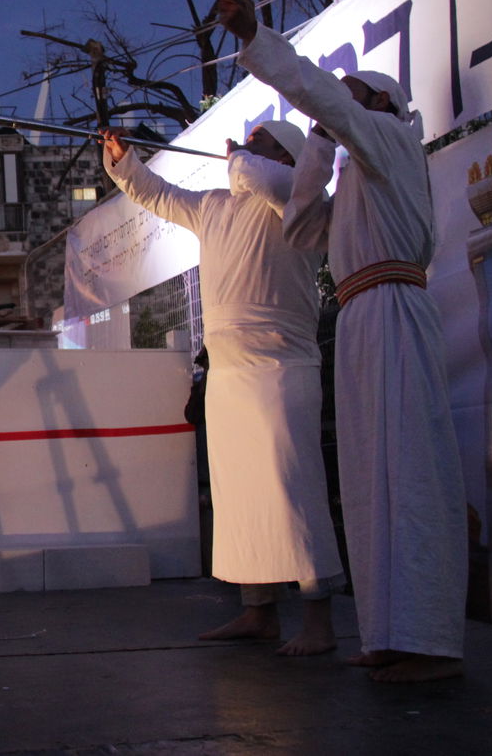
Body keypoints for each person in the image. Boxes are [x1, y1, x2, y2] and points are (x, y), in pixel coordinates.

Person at [216, 0, 467, 682]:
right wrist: (318, 153)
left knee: (409, 469)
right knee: (367, 477)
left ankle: (432, 642)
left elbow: (320, 94)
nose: (342, 112)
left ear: (381, 108)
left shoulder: (391, 143)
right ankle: (391, 629)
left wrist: (258, 39)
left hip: (394, 309)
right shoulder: (359, 176)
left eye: (356, 101)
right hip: (361, 319)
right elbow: (300, 226)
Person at [103, 120, 344, 656]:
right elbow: (157, 194)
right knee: (239, 498)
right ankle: (258, 611)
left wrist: (243, 161)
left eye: (260, 139)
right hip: (230, 374)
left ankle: (319, 619)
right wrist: (125, 162)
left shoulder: (302, 201)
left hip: (281, 365)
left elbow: (274, 182)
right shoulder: (214, 205)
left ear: (287, 154)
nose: (245, 143)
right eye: (248, 139)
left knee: (293, 489)